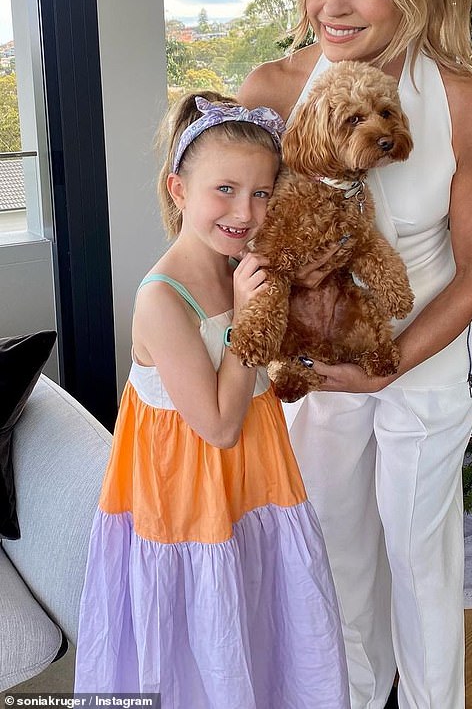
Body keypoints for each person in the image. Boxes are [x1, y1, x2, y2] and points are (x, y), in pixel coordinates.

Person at [237, 0, 472, 709]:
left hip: (429, 347)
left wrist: (391, 362)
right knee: (333, 544)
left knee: (418, 552)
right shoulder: (272, 91)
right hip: (321, 355)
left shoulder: (468, 104)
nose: (334, 5)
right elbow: (230, 238)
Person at [74, 92, 350, 709]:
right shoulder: (162, 300)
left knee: (259, 620)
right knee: (201, 644)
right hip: (189, 504)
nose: (245, 212)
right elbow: (220, 426)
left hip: (255, 487)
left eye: (262, 193)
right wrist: (249, 321)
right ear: (178, 190)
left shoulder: (240, 269)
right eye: (224, 190)